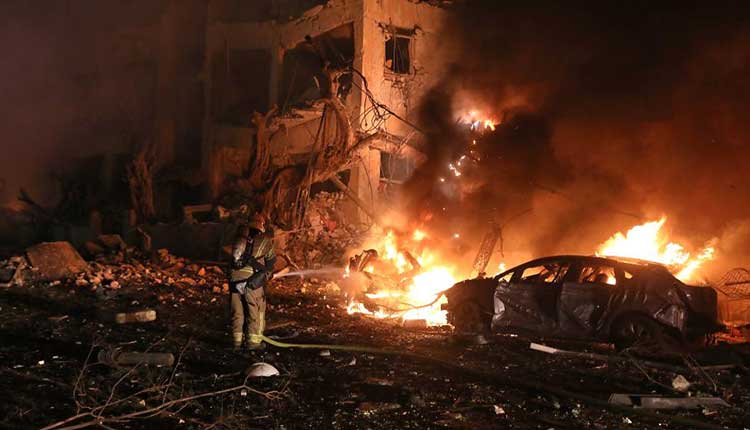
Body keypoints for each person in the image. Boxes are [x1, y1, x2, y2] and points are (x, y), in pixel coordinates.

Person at [229, 213, 276, 351]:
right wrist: (266, 272)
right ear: (261, 225)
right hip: (251, 281)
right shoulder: (265, 239)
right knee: (255, 311)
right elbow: (271, 261)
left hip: (234, 280)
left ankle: (236, 343)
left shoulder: (238, 238)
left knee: (237, 312)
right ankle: (253, 343)